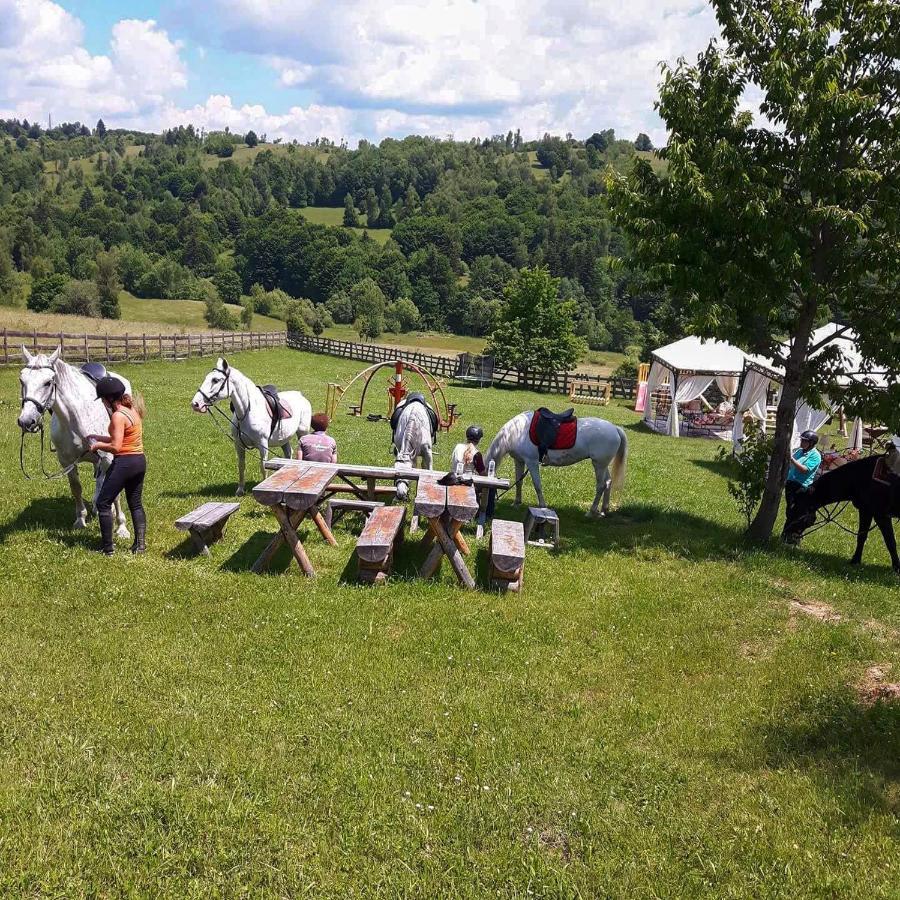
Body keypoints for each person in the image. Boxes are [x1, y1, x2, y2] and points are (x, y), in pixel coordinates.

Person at [88, 376, 147, 556]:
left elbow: (116, 447)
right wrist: (98, 437)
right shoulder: (132, 411)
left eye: (103, 399)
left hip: (124, 463)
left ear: (108, 398)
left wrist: (96, 446)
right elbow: (121, 437)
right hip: (139, 461)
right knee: (135, 503)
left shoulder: (117, 416)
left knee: (103, 503)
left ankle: (108, 549)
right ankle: (140, 546)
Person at [784, 429, 822, 525]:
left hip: (801, 486)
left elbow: (804, 470)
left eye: (805, 441)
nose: (802, 442)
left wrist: (791, 459)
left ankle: (793, 533)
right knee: (789, 509)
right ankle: (788, 532)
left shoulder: (815, 455)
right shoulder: (799, 451)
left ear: (812, 443)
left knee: (796, 511)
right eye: (802, 440)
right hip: (790, 483)